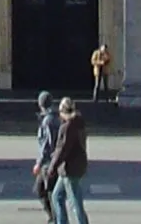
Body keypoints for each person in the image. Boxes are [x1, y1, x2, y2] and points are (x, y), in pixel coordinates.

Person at [47, 96, 90, 224]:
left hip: (69, 168)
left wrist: (52, 168)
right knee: (57, 196)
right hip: (75, 166)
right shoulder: (79, 123)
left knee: (75, 203)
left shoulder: (67, 127)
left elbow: (62, 150)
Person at [31, 91, 61, 221]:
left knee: (45, 191)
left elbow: (47, 145)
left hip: (48, 163)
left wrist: (39, 162)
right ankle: (54, 217)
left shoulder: (48, 121)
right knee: (45, 191)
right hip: (52, 161)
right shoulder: (54, 118)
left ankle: (55, 218)